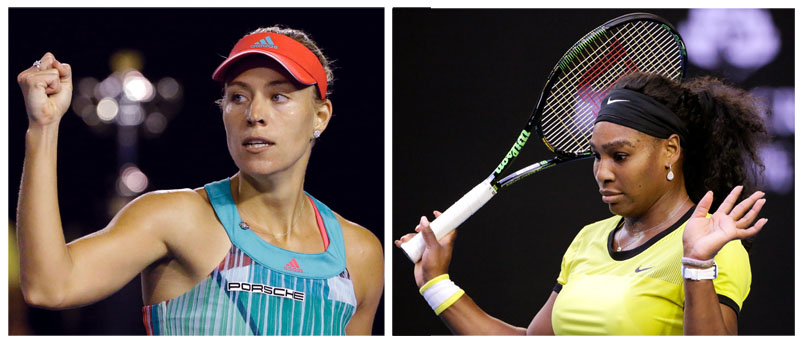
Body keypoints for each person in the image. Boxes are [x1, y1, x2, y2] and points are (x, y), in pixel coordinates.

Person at [16, 26, 383, 335]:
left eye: (278, 96)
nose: (254, 114)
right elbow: (49, 286)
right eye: (238, 96)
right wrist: (43, 129)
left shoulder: (360, 253)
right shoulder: (175, 218)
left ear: (320, 116)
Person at [395, 72, 769, 335]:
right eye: (596, 156)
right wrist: (435, 282)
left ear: (670, 150)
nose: (602, 173)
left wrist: (697, 264)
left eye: (619, 156)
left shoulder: (714, 249)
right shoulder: (590, 239)